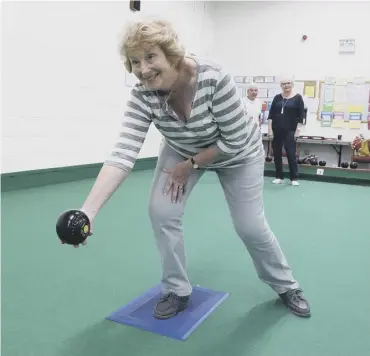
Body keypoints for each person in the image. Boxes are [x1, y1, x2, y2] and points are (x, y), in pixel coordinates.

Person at [60, 19, 311, 319]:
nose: (143, 69)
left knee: (250, 226)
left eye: (150, 57)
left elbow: (233, 141)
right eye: (135, 61)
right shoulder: (143, 96)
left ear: (171, 54)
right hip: (182, 148)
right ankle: (176, 288)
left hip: (238, 153)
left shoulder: (214, 78)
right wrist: (88, 211)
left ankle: (286, 285)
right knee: (161, 211)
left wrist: (189, 165)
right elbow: (123, 153)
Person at [267, 78, 305, 186]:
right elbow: (271, 115)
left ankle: (294, 178)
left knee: (290, 154)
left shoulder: (297, 98)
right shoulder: (277, 98)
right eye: (283, 83)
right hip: (276, 129)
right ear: (281, 86)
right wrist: (270, 129)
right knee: (277, 154)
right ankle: (279, 176)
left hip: (290, 130)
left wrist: (298, 130)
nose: (286, 85)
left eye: (288, 83)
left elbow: (301, 116)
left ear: (292, 84)